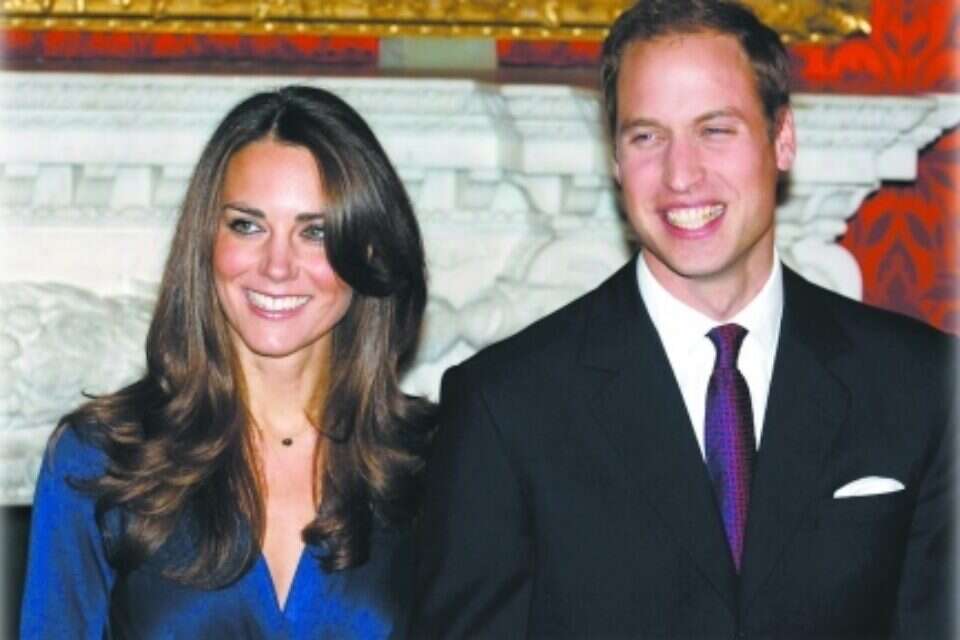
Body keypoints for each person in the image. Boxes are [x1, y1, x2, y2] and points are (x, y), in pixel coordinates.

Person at [413, 1, 955, 637]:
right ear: (615, 159)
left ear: (782, 137)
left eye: (715, 130)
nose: (681, 175)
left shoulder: (922, 385)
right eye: (647, 136)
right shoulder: (506, 405)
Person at [20, 85, 435, 639]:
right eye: (247, 225)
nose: (277, 266)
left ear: (369, 250)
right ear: (205, 241)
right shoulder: (98, 461)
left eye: (315, 232)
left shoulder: (439, 461)